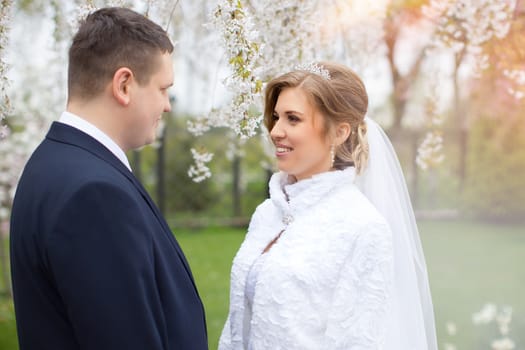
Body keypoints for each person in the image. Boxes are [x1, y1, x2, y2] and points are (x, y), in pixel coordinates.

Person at [9, 7, 207, 350]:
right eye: (163, 89)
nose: (168, 105)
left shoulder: (53, 162)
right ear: (124, 85)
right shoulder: (93, 194)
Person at [218, 62, 438, 349]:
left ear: (339, 133)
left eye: (293, 119)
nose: (275, 131)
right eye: (276, 117)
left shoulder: (363, 228)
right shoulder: (267, 213)